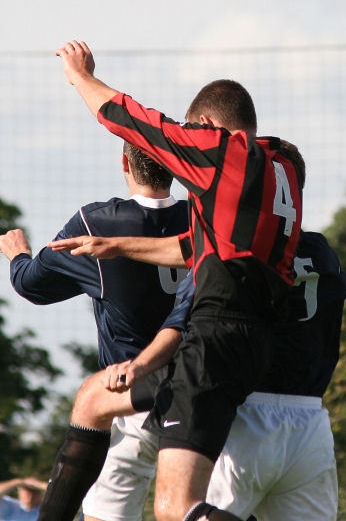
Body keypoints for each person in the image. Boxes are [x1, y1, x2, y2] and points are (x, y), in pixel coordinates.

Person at [55, 39, 305, 521]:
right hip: (253, 344)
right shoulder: (283, 169)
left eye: (195, 132)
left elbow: (134, 122)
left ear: (208, 128)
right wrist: (118, 246)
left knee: (175, 509)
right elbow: (201, 250)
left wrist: (80, 78)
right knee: (93, 400)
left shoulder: (223, 154)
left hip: (214, 338)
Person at [46, 229, 346, 521]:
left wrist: (140, 366)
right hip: (309, 423)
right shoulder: (323, 252)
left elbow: (182, 324)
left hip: (241, 415)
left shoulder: (229, 250)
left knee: (179, 507)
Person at [0, 143, 188, 521]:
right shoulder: (204, 220)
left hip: (124, 398)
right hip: (197, 396)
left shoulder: (96, 224)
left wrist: (17, 255)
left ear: (124, 162)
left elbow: (32, 285)